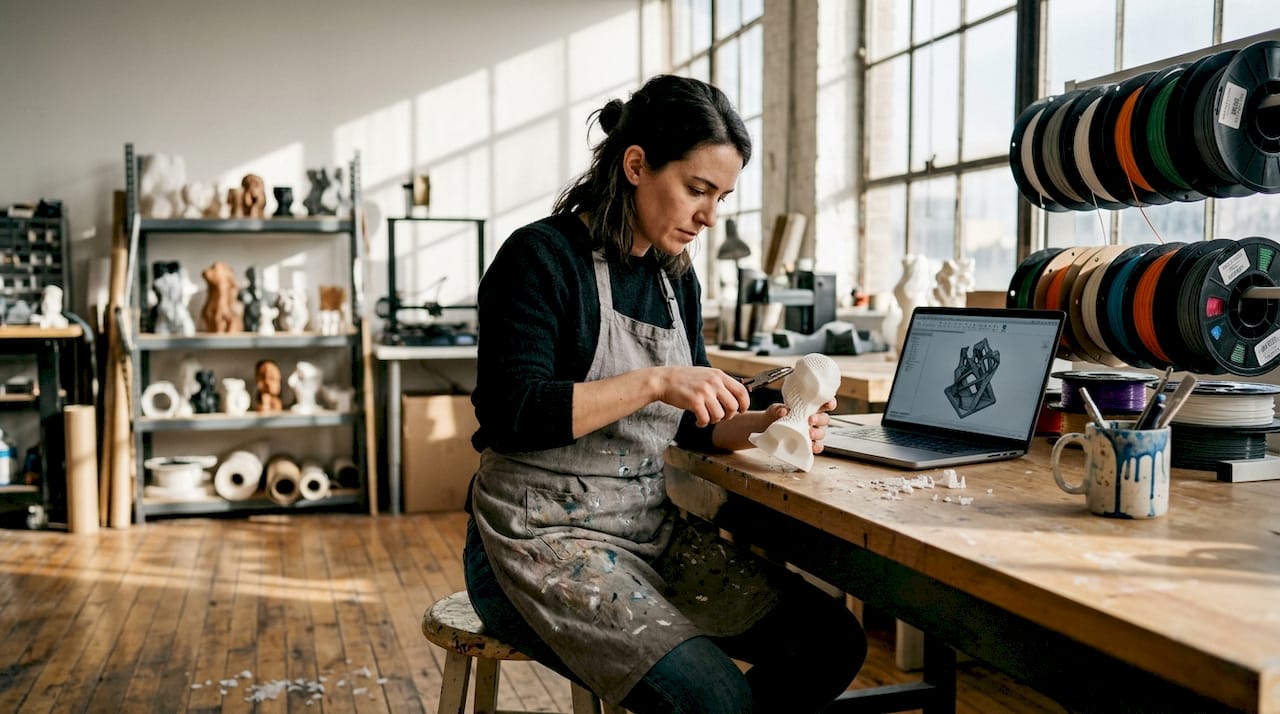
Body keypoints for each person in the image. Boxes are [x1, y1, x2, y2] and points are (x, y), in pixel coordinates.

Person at [463, 74, 866, 713]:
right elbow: (513, 415)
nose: (709, 216)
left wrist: (768, 423)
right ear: (636, 166)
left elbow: (693, 423)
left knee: (830, 641)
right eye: (697, 189)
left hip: (645, 531)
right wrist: (656, 380)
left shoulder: (674, 278)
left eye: (721, 197)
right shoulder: (541, 258)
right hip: (530, 541)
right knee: (716, 700)